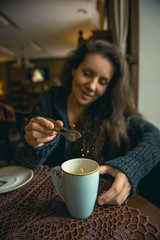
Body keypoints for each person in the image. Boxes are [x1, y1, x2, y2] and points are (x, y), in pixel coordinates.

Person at [16, 39, 160, 206]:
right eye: (88, 73)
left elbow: (156, 137)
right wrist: (35, 145)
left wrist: (131, 167)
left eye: (103, 82)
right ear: (74, 70)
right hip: (47, 201)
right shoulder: (49, 99)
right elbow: (25, 162)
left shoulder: (113, 112)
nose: (92, 86)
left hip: (96, 205)